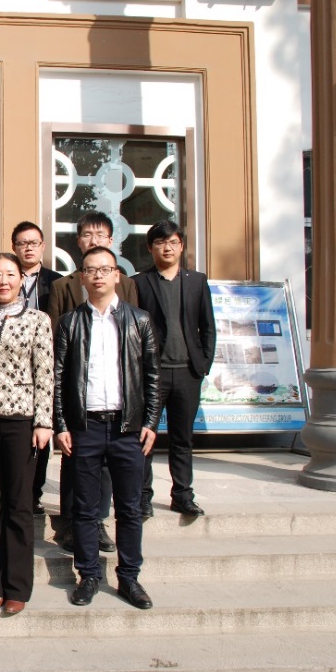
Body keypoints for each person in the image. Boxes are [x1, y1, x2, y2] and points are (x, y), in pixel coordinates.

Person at [54, 246, 160, 610]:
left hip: (127, 428)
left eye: (105, 269)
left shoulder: (139, 320)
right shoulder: (69, 322)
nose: (98, 275)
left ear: (117, 275)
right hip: (84, 428)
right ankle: (89, 575)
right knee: (84, 510)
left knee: (129, 509)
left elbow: (153, 376)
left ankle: (129, 577)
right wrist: (62, 424)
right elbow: (58, 378)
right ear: (81, 278)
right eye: (90, 270)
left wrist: (150, 422)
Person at [0, 253, 54, 615]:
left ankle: (17, 586)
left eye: (10, 275)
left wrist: (44, 421)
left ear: (21, 280)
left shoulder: (37, 320)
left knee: (18, 504)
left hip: (21, 421)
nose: (3, 281)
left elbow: (45, 373)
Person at [46, 211, 139, 551]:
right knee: (74, 462)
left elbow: (134, 342)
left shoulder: (127, 284)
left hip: (113, 392)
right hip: (77, 391)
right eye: (87, 234)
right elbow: (55, 339)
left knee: (106, 467)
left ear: (111, 241)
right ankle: (71, 520)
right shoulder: (62, 285)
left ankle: (97, 522)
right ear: (78, 240)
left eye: (100, 235)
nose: (93, 240)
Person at [133, 220, 216, 518]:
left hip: (187, 372)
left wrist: (203, 364)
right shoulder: (140, 282)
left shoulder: (197, 281)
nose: (166, 248)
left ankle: (182, 495)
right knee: (145, 437)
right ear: (150, 247)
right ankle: (142, 497)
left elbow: (208, 326)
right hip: (151, 373)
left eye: (172, 242)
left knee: (182, 439)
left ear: (181, 246)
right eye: (160, 242)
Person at [0, 221, 63, 520]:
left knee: (41, 431)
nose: (28, 248)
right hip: (11, 371)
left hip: (45, 363)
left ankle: (34, 492)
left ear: (43, 247)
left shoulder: (56, 282)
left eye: (33, 243)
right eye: (22, 243)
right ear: (14, 247)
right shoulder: (3, 278)